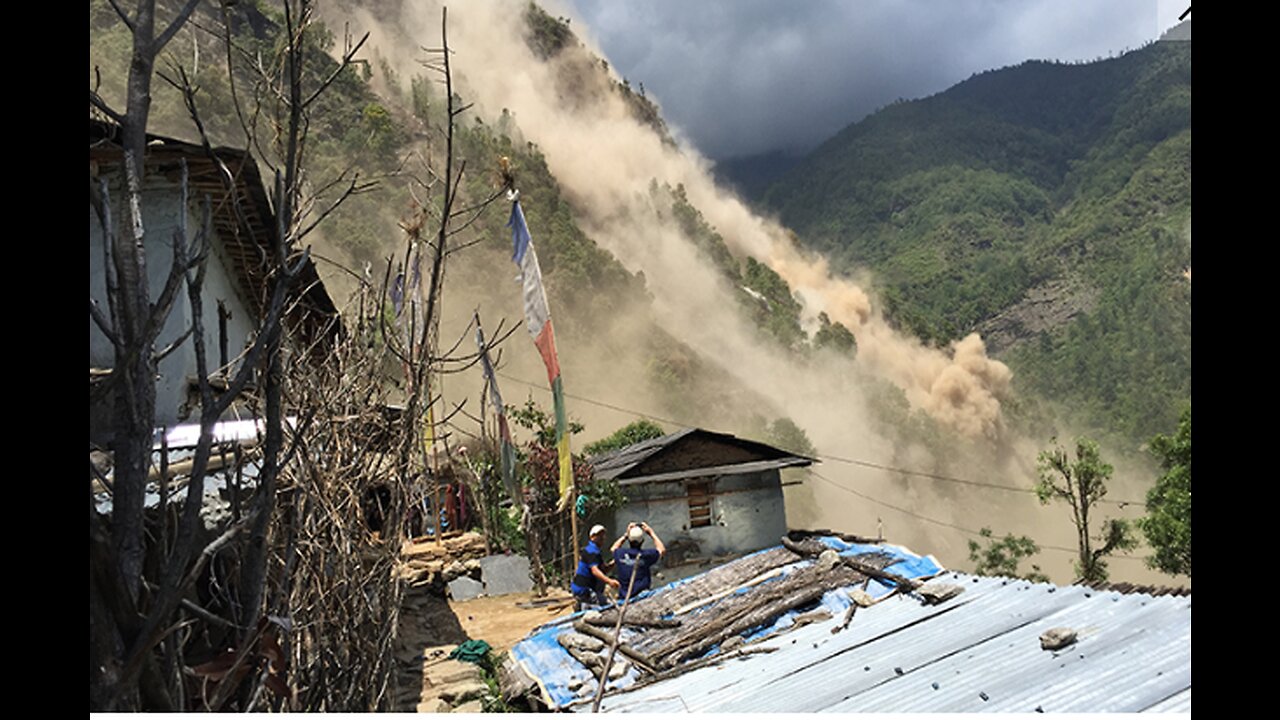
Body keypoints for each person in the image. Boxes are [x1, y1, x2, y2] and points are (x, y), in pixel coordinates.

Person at [611, 521, 665, 601]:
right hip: (642, 596)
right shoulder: (646, 555)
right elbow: (662, 550)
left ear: (629, 540)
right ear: (642, 541)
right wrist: (651, 533)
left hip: (625, 596)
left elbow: (613, 548)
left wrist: (626, 535)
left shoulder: (620, 554)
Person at [570, 524, 619, 610]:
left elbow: (603, 569)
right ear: (592, 537)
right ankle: (583, 605)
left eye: (603, 535)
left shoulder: (595, 551)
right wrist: (609, 581)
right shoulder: (592, 552)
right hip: (585, 589)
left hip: (585, 588)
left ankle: (583, 604)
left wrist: (615, 562)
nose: (602, 537)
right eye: (599, 535)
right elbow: (595, 571)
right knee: (605, 608)